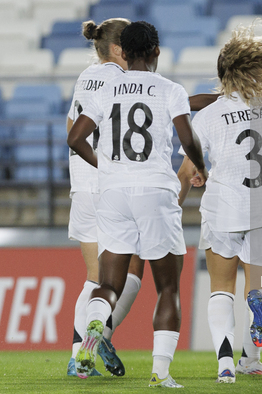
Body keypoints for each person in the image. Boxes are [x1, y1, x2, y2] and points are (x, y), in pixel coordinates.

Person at [67, 21, 207, 388]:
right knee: (168, 288)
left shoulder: (104, 87)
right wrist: (201, 166)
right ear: (156, 52)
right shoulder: (169, 89)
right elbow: (186, 136)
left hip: (113, 194)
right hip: (155, 192)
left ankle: (93, 328)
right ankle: (160, 373)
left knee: (108, 282)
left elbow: (75, 137)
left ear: (123, 54)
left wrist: (107, 167)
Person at [178, 24, 262, 382]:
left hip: (223, 207)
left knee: (220, 289)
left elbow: (187, 171)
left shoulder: (207, 115)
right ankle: (253, 352)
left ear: (223, 74)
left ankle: (227, 364)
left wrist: (179, 203)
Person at [66, 18, 144, 378]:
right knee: (131, 269)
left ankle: (76, 359)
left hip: (81, 184)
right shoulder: (123, 80)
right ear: (118, 49)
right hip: (112, 184)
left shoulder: (85, 77)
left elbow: (72, 128)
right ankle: (100, 336)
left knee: (92, 278)